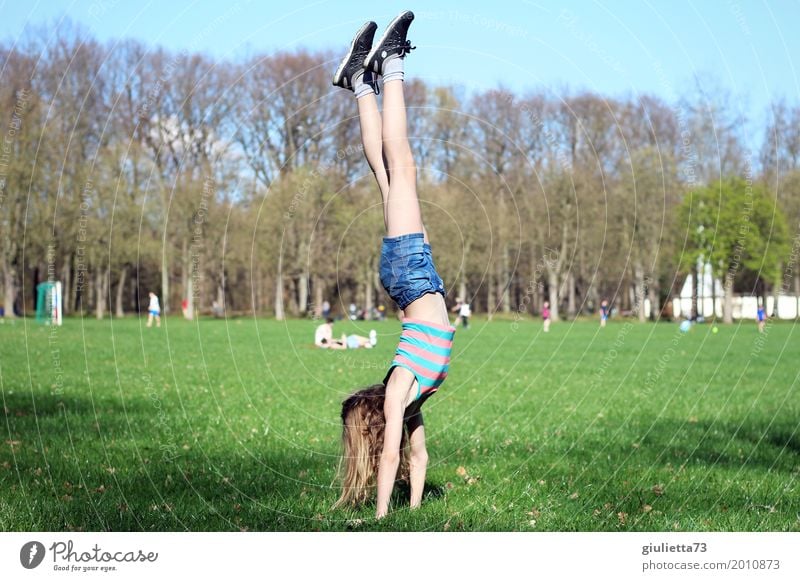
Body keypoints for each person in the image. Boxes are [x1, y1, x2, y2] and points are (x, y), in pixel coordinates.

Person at [331, 11, 456, 518]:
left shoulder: (402, 382)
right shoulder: (411, 402)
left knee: (401, 165)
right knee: (389, 173)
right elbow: (417, 455)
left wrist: (383, 515)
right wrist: (415, 503)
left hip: (410, 273)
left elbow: (390, 457)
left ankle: (392, 67)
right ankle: (364, 78)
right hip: (414, 273)